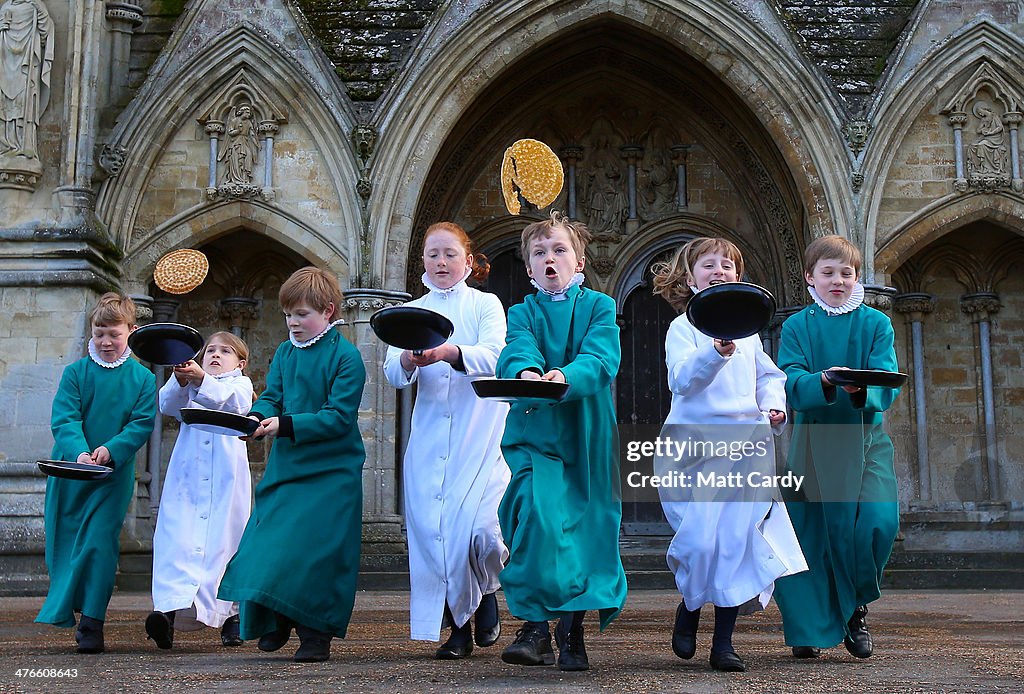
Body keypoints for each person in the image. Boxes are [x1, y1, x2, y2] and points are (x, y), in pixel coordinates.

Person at [650, 237, 807, 672]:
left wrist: (773, 404)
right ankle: (690, 606)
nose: (719, 271)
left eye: (728, 265)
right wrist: (715, 351)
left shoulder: (751, 334)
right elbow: (682, 381)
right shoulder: (683, 329)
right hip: (694, 449)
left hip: (745, 449)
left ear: (738, 276)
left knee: (735, 544)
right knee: (701, 541)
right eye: (709, 265)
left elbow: (768, 377)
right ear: (690, 277)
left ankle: (723, 643)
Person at [495, 210, 627, 672]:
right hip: (536, 432)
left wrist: (565, 375)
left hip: (586, 435)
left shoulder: (600, 307)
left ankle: (571, 631)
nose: (550, 258)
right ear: (529, 268)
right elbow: (518, 348)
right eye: (539, 253)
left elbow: (600, 356)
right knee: (536, 515)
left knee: (583, 533)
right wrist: (528, 372)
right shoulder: (522, 311)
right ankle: (534, 625)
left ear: (579, 260)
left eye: (559, 250)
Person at [217, 267, 366, 663]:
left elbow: (338, 417)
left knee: (317, 554)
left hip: (333, 472)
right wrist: (255, 416)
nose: (293, 323)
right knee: (268, 543)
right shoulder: (285, 352)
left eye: (301, 315)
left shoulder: (347, 357)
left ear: (328, 311)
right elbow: (272, 396)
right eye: (287, 315)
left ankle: (315, 635)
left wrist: (284, 425)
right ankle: (274, 619)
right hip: (288, 467)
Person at [383, 222, 510, 659]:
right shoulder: (412, 309)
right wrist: (407, 357)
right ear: (423, 262)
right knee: (436, 534)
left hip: (480, 432)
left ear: (468, 261)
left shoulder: (486, 304)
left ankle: (486, 588)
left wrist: (448, 352)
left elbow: (496, 356)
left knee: (482, 533)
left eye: (450, 254)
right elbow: (391, 373)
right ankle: (457, 629)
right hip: (431, 435)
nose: (441, 262)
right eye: (433, 254)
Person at [773, 235, 902, 660]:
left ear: (857, 277)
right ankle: (812, 628)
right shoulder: (796, 326)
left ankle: (856, 605)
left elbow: (886, 376)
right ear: (810, 277)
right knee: (811, 539)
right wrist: (824, 381)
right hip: (814, 444)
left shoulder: (876, 324)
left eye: (846, 273)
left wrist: (862, 385)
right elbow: (789, 380)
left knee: (877, 523)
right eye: (828, 273)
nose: (838, 281)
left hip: (866, 440)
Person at [35, 292, 157, 653]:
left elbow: (141, 423)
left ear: (131, 332)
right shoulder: (75, 372)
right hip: (72, 472)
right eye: (99, 332)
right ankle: (73, 602)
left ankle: (92, 622)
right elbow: (65, 418)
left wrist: (112, 449)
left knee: (100, 543)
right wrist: (81, 452)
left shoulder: (143, 378)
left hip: (113, 476)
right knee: (70, 541)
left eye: (113, 334)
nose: (105, 341)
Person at [145, 332, 255, 650]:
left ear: (241, 363)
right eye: (210, 351)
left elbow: (234, 404)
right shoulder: (189, 383)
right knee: (177, 540)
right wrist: (180, 380)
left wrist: (203, 379)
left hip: (225, 479)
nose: (216, 355)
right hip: (187, 479)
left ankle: (231, 617)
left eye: (225, 351)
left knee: (225, 543)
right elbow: (167, 405)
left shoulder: (239, 385)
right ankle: (165, 615)